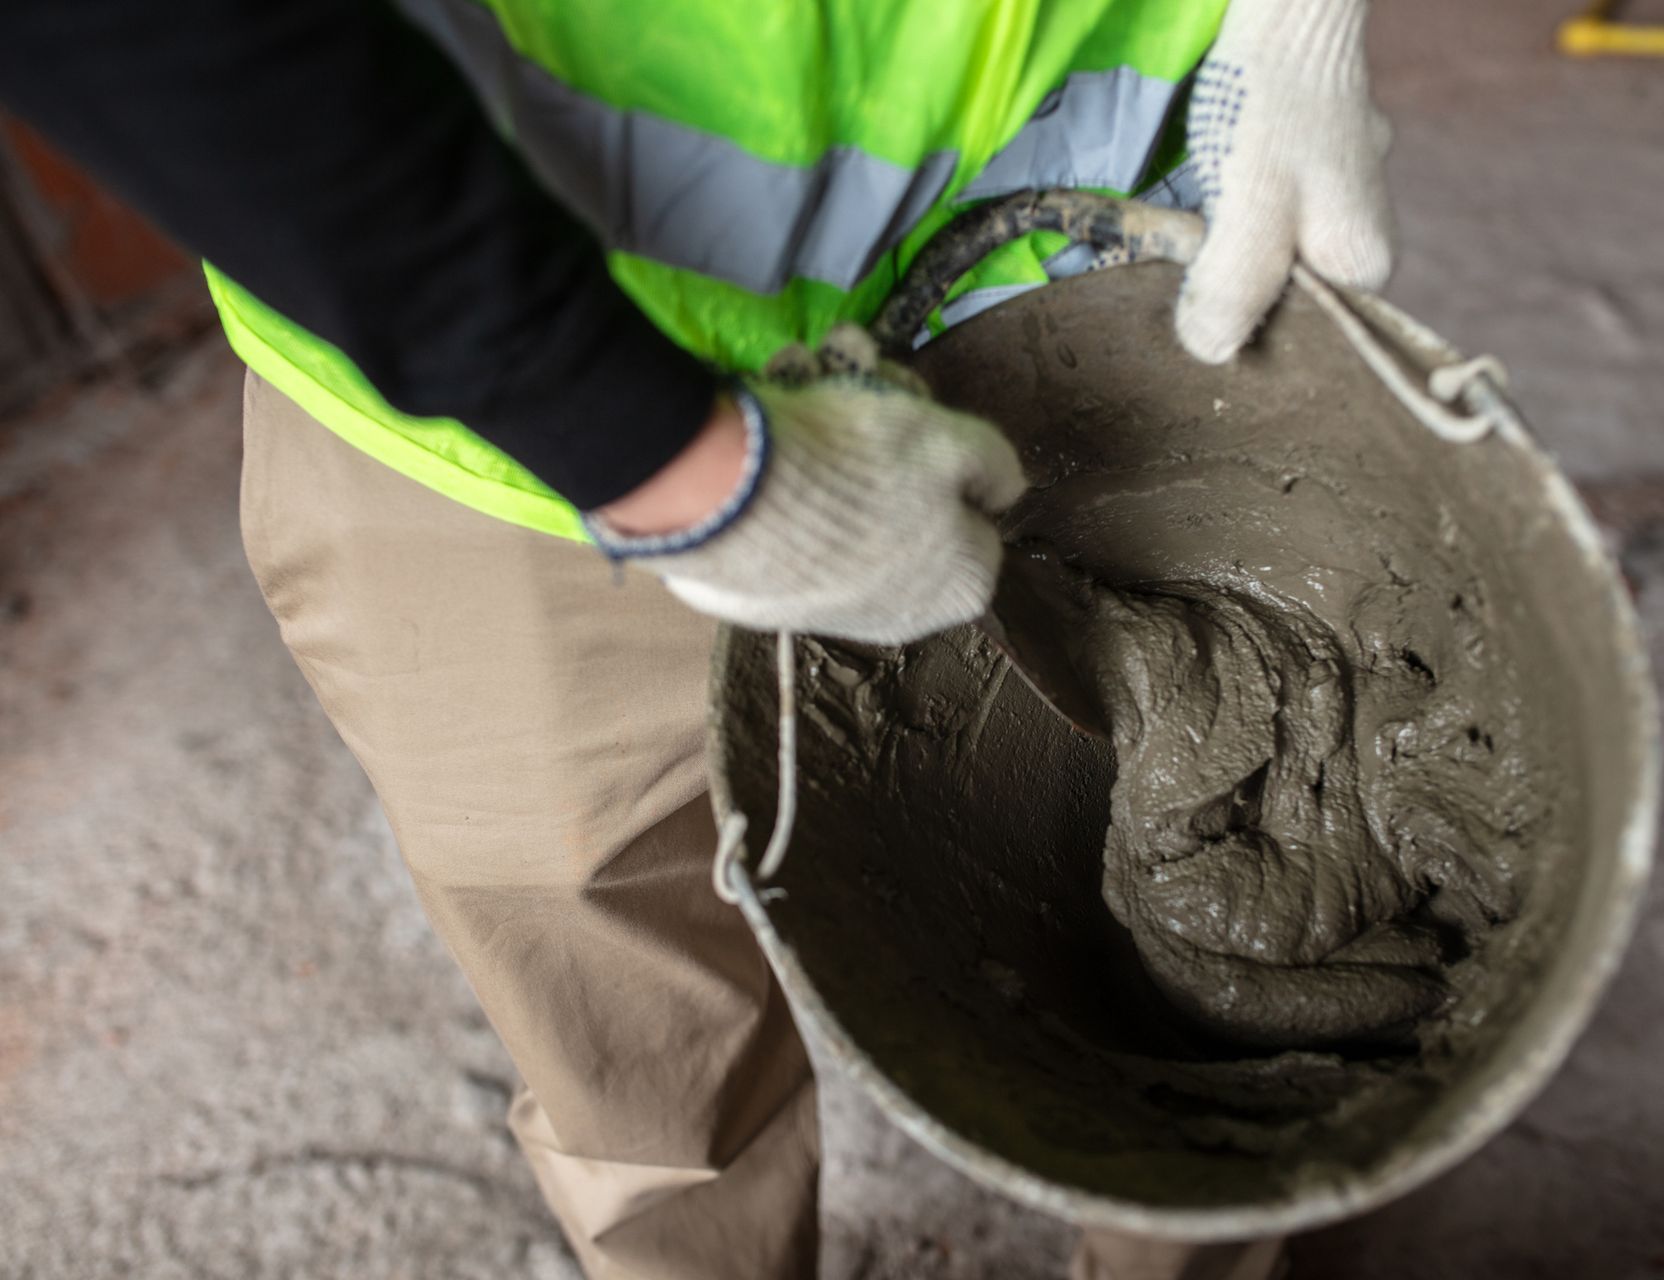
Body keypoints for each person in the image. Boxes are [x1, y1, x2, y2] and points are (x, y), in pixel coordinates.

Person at [0, 0, 1392, 1275]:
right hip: (507, 406)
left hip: (1087, 261)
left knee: (1200, 970)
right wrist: (663, 458)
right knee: (633, 1035)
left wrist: (1302, 22)